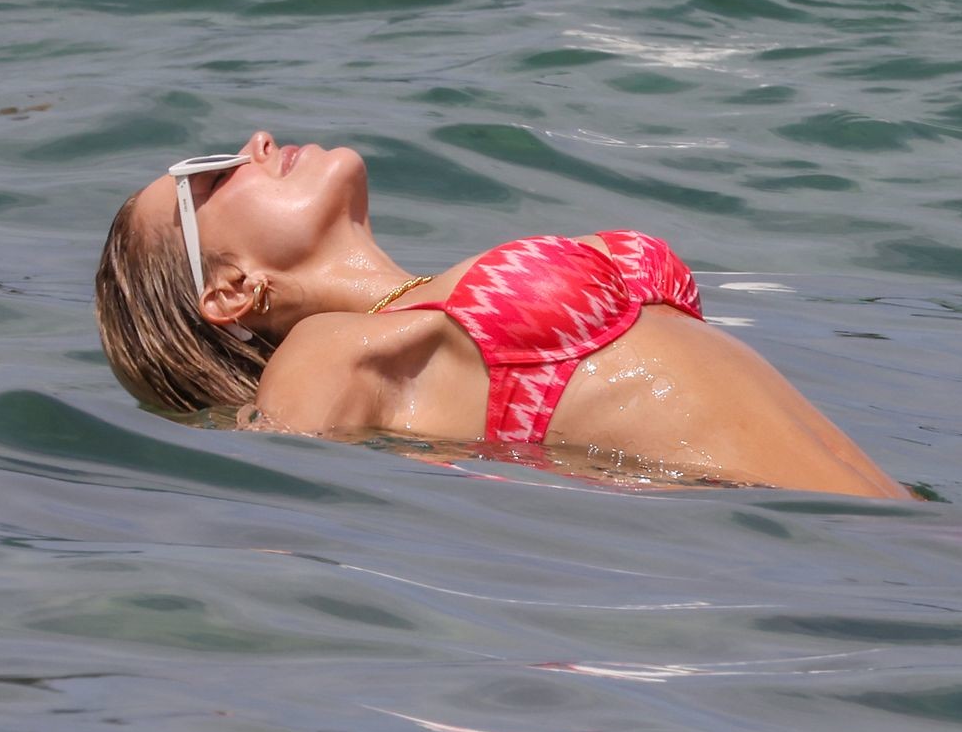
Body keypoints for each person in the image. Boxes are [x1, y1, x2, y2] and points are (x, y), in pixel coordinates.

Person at [94, 132, 906, 500]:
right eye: (211, 176)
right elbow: (282, 511)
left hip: (896, 530)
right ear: (230, 290)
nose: (257, 142)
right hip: (837, 557)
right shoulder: (320, 353)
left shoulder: (414, 311)